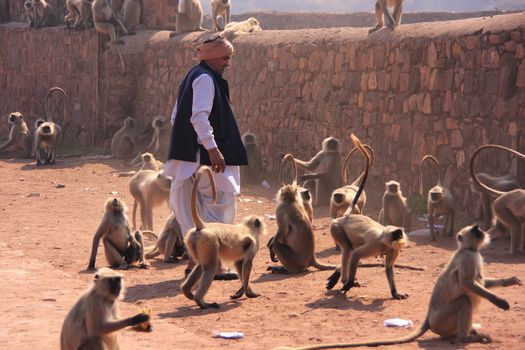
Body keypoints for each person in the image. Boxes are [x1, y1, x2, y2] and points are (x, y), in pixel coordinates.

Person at [164, 34, 247, 280]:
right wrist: (211, 149)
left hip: (188, 157)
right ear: (212, 56)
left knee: (191, 209)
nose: (227, 63)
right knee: (218, 207)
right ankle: (214, 265)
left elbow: (175, 117)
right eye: (225, 58)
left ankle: (195, 261)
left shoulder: (192, 75)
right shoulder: (205, 79)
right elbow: (198, 116)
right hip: (205, 158)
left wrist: (188, 145)